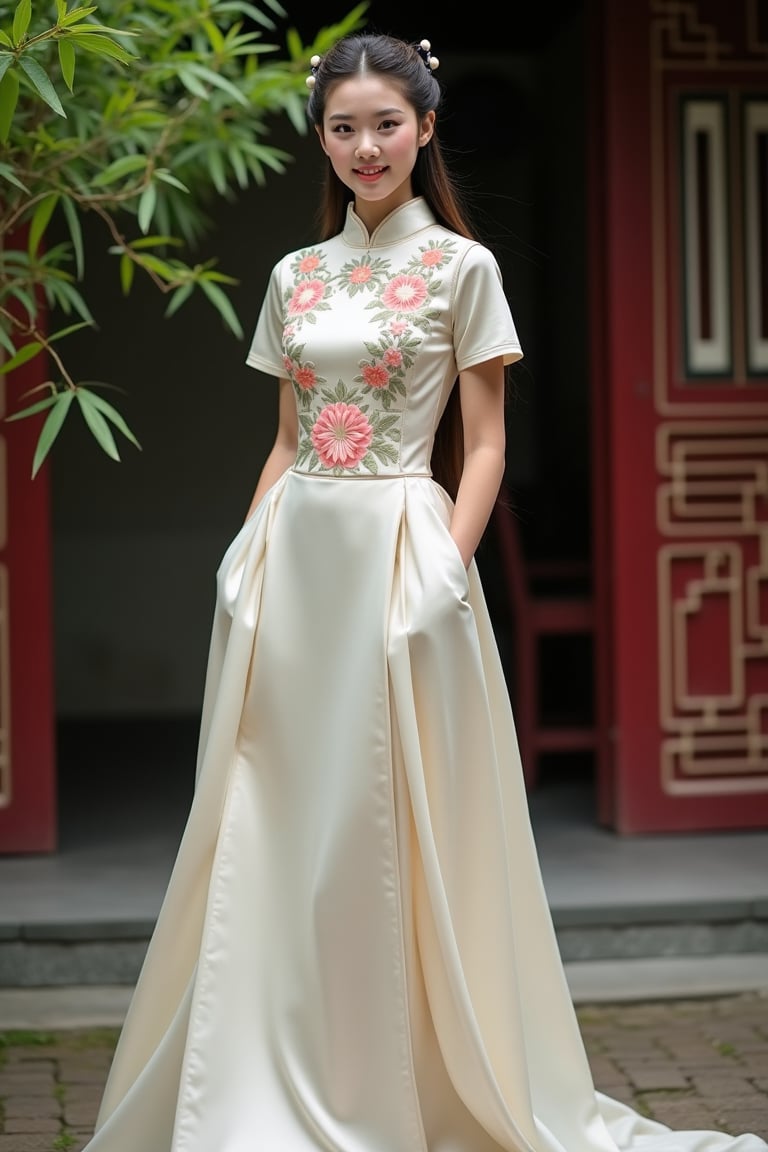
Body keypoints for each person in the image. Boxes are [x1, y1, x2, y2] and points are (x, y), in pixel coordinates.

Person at [83, 31, 767, 1152]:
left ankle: (400, 1077)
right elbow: (289, 436)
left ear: (426, 128)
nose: (365, 145)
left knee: (388, 814)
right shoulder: (294, 276)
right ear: (323, 136)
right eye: (344, 127)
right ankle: (259, 1062)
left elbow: (486, 442)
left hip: (404, 545)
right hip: (294, 555)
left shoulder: (462, 267)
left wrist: (445, 564)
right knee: (276, 808)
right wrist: (245, 550)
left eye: (385, 125)